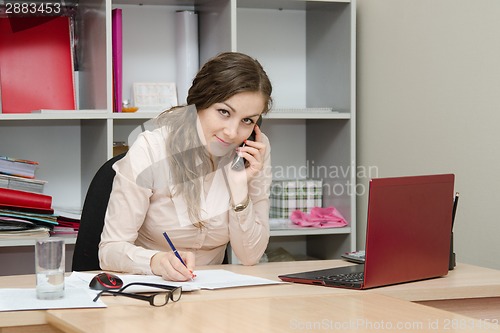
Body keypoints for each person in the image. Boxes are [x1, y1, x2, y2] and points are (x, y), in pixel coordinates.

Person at [98, 52, 273, 282]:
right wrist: (154, 261)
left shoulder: (254, 151)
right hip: (153, 289)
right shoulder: (151, 149)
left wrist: (240, 189)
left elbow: (250, 256)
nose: (232, 132)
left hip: (214, 297)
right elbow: (109, 250)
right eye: (223, 112)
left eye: (247, 120)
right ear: (199, 103)